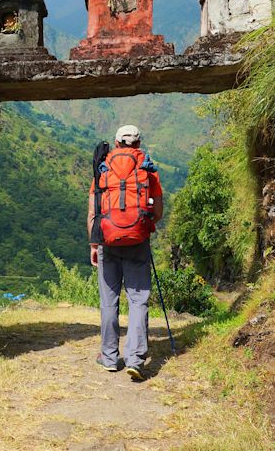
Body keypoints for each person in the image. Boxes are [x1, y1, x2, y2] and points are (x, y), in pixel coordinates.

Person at [88, 124, 163, 381]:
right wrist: (145, 226)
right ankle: (135, 359)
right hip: (138, 241)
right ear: (138, 144)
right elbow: (159, 210)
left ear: (117, 143)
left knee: (109, 301)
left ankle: (109, 358)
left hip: (107, 241)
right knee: (138, 300)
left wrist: (94, 244)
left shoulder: (103, 168)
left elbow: (94, 211)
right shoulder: (147, 170)